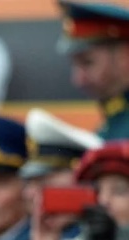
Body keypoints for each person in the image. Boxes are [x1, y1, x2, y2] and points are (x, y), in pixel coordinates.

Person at [57, 0, 129, 139]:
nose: (78, 80)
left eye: (88, 62)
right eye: (75, 65)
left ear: (125, 56)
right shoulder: (112, 125)